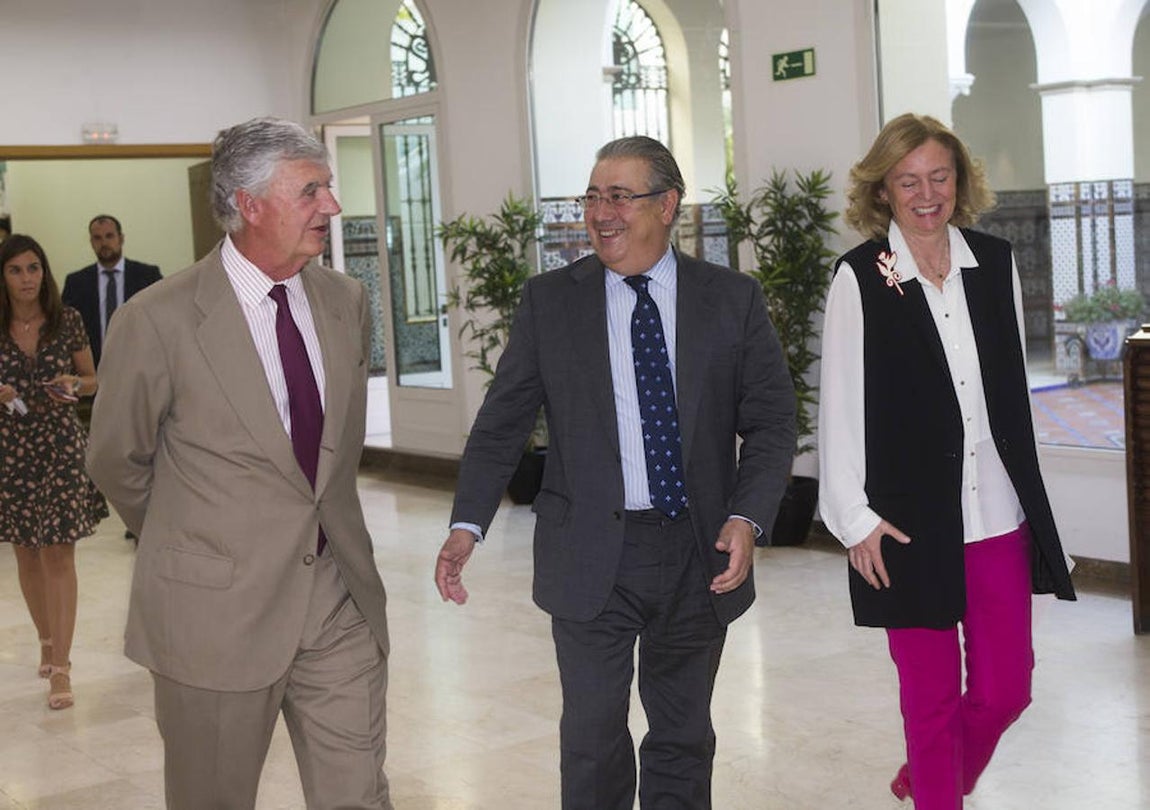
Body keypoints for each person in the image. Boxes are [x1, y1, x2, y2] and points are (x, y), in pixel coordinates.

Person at [435, 135, 796, 809]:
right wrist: (467, 524)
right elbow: (502, 422)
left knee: (683, 737)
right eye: (592, 197)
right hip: (589, 551)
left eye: (619, 196)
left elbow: (773, 421)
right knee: (594, 738)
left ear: (667, 205)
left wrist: (747, 518)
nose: (601, 213)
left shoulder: (730, 300)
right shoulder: (552, 303)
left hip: (698, 551)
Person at [86, 117, 392, 810]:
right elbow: (116, 459)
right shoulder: (156, 319)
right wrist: (195, 535)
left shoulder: (347, 302)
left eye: (329, 188)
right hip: (214, 615)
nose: (332, 207)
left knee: (360, 794)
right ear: (250, 205)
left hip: (337, 598)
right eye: (311, 190)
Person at [818, 113, 1077, 809]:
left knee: (1005, 690)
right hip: (906, 526)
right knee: (927, 706)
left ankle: (929, 777)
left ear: (958, 180)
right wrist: (854, 520)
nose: (926, 194)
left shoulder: (994, 263)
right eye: (908, 181)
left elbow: (1012, 393)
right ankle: (936, 786)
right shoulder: (860, 279)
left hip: (996, 514)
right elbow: (840, 410)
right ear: (884, 191)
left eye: (939, 176)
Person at [0, 234, 107, 710]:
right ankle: (45, 638)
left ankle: (61, 667)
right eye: (16, 270)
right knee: (27, 554)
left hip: (60, 445)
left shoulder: (67, 321)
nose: (27, 278)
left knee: (58, 554)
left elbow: (93, 379)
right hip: (11, 450)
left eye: (34, 268)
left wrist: (73, 384)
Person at [61, 214, 162, 367]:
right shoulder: (76, 282)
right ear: (91, 242)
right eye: (97, 238)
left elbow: (162, 320)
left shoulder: (148, 276)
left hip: (141, 367)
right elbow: (67, 329)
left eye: (109, 236)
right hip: (95, 372)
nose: (104, 243)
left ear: (121, 239)